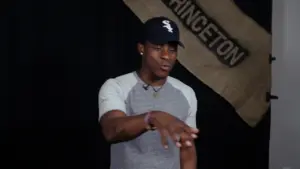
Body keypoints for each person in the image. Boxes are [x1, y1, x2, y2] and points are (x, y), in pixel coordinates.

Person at [98, 16, 199, 169]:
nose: (166, 56)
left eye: (172, 50)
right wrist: (151, 118)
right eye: (158, 48)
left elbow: (187, 149)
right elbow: (111, 130)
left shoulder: (186, 93)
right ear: (142, 48)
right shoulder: (117, 86)